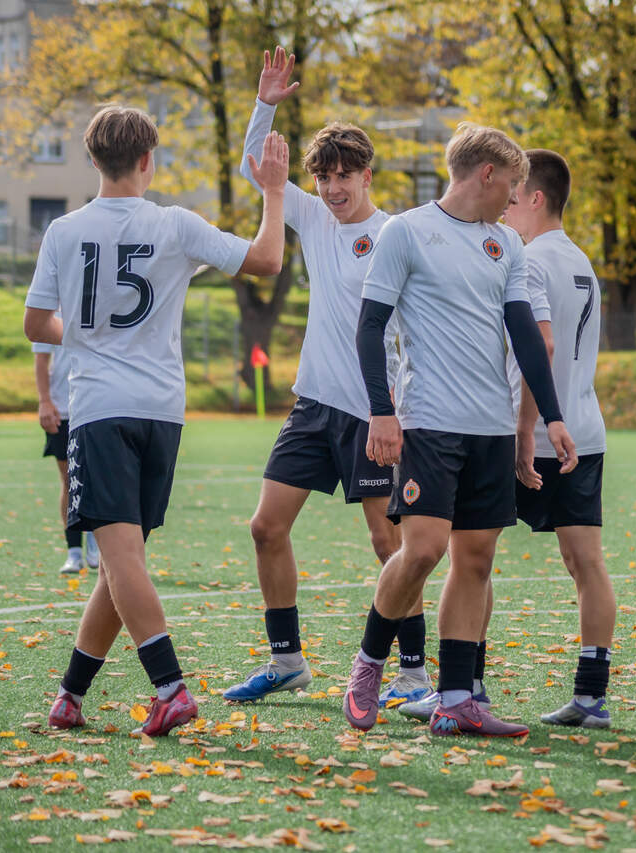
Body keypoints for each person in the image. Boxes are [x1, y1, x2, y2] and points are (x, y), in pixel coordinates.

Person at [24, 105, 290, 737]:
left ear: (93, 160)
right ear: (149, 160)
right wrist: (275, 193)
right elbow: (267, 259)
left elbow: (36, 324)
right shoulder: (175, 223)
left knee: (121, 561)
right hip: (163, 413)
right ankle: (70, 695)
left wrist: (85, 337)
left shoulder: (64, 230)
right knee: (125, 561)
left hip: (100, 410)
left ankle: (171, 690)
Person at [344, 123, 577, 738]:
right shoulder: (406, 232)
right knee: (422, 551)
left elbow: (525, 334)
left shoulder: (506, 244)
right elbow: (370, 327)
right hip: (428, 423)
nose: (515, 198)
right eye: (513, 185)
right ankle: (369, 662)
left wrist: (551, 416)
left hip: (491, 430)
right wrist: (382, 409)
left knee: (475, 560)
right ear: (487, 174)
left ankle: (455, 700)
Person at [222, 47, 431, 706]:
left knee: (388, 542)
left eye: (344, 176)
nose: (333, 189)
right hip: (313, 407)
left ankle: (414, 674)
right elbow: (257, 168)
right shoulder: (312, 218)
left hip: (374, 413)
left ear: (367, 175)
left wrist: (395, 408)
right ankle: (287, 660)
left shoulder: (397, 233)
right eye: (324, 178)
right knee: (265, 527)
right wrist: (265, 105)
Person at [503, 149, 615, 728]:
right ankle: (592, 697)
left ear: (536, 198)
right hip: (585, 430)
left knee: (472, 556)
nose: (505, 208)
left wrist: (525, 427)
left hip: (536, 435)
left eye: (513, 198)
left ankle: (462, 687)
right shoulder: (581, 261)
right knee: (585, 564)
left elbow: (537, 352)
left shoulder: (528, 260)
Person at [33, 332, 99, 574]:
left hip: (97, 405)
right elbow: (41, 359)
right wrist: (44, 401)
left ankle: (95, 539)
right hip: (63, 408)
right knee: (70, 480)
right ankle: (74, 552)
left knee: (98, 478)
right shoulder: (51, 315)